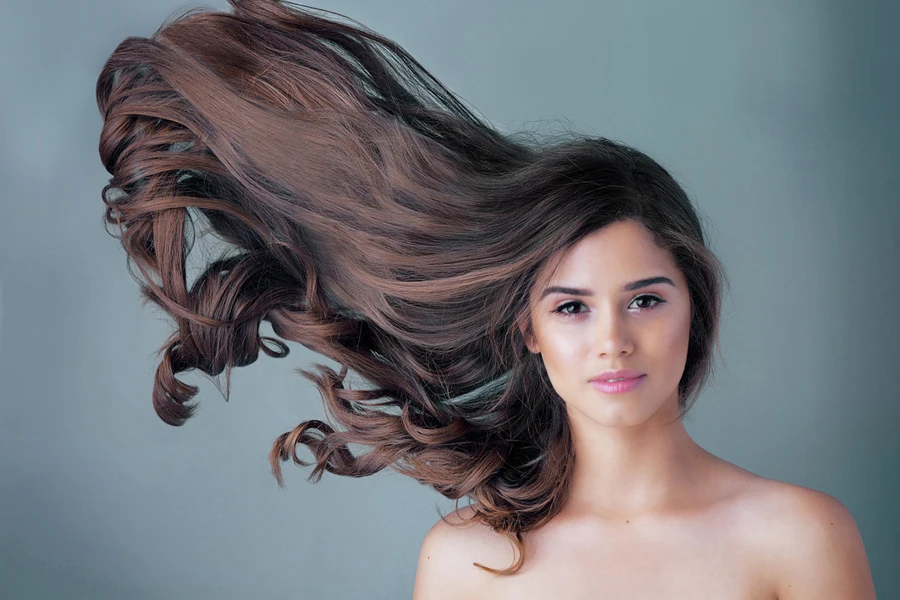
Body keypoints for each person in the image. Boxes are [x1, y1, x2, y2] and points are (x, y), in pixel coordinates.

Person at [94, 1, 876, 597]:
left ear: (693, 308)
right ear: (528, 330)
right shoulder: (469, 565)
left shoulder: (799, 538)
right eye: (571, 306)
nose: (613, 340)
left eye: (645, 300)